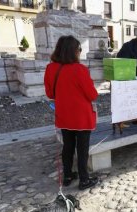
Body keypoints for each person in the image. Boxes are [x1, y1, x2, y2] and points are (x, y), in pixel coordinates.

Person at [44, 35, 99, 190]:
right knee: (82, 149)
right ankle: (84, 180)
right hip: (81, 117)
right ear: (74, 51)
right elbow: (92, 95)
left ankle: (67, 176)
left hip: (63, 115)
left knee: (67, 146)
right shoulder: (80, 69)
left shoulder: (50, 68)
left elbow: (50, 94)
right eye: (79, 49)